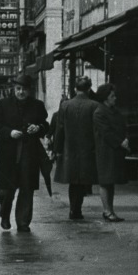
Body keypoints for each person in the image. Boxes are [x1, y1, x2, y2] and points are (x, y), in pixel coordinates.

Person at [0, 74, 49, 232]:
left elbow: (45, 124)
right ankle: (4, 215)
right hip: (9, 152)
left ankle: (23, 222)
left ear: (29, 90)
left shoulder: (37, 105)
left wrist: (38, 128)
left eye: (24, 89)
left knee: (26, 187)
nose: (21, 92)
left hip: (29, 152)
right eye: (18, 89)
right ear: (13, 89)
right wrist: (9, 132)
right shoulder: (3, 104)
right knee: (6, 190)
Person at [53, 77, 99, 221]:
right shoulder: (94, 106)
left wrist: (57, 149)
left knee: (73, 181)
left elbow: (59, 129)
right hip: (87, 149)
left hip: (69, 149)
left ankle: (74, 209)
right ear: (89, 88)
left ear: (75, 89)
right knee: (83, 180)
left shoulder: (65, 105)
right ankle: (76, 209)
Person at [92, 83, 130, 222]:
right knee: (105, 181)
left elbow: (121, 126)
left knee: (110, 181)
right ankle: (107, 210)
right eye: (112, 96)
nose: (115, 98)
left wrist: (124, 139)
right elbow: (106, 132)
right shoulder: (99, 112)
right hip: (105, 151)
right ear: (105, 98)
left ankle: (110, 210)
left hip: (114, 150)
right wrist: (120, 141)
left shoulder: (113, 110)